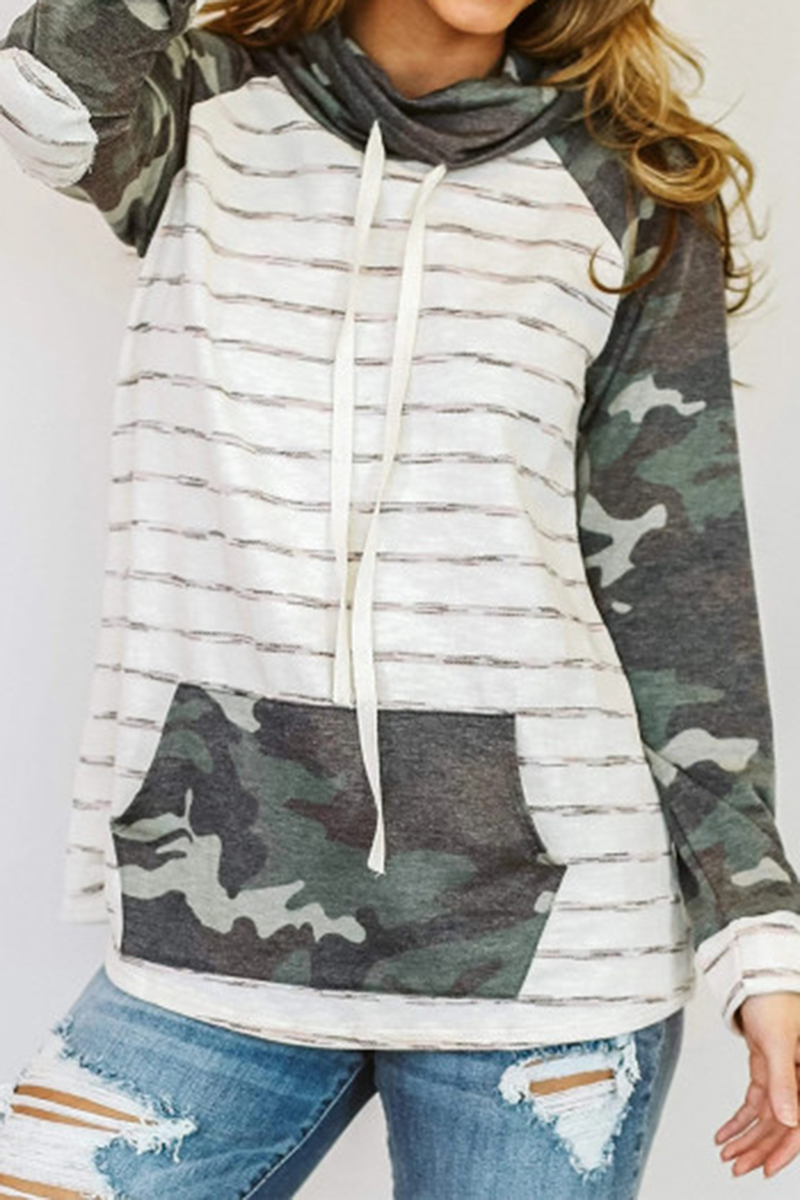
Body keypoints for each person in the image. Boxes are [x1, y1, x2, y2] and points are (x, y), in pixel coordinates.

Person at [1, 0, 799, 1193]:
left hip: (553, 961)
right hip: (217, 906)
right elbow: (41, 95)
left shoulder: (628, 190)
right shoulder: (199, 109)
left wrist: (757, 937)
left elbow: (678, 592)